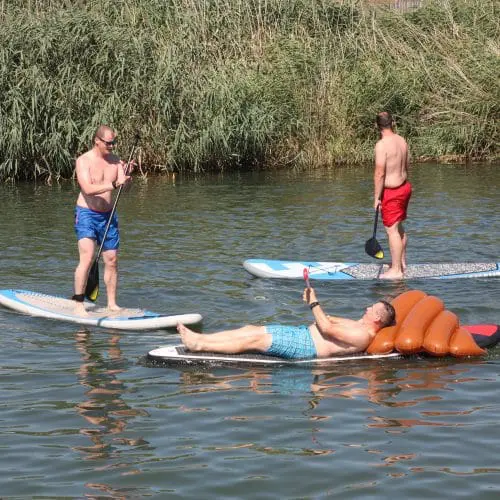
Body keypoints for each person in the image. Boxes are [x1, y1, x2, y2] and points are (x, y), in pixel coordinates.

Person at [177, 286, 396, 359]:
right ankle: (201, 338)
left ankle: (199, 346)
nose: (367, 308)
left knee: (256, 340)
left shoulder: (362, 335)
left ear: (377, 318)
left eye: (371, 309)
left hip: (305, 346)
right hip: (300, 334)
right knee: (251, 329)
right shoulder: (358, 324)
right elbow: (329, 319)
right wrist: (314, 302)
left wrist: (314, 303)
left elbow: (327, 328)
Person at [72, 125, 133, 315]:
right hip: (86, 214)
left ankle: (112, 304)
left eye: (114, 142)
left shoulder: (116, 162)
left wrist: (127, 178)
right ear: (97, 141)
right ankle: (79, 304)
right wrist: (114, 184)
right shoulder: (83, 161)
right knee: (88, 257)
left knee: (112, 259)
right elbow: (88, 189)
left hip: (108, 215)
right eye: (109, 143)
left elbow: (124, 189)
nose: (112, 146)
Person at [373, 111, 412, 280]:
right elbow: (407, 165)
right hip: (405, 187)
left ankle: (396, 270)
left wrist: (377, 198)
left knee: (392, 231)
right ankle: (401, 263)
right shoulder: (402, 140)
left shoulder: (382, 145)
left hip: (393, 192)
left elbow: (380, 173)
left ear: (376, 126)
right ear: (392, 122)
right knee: (399, 227)